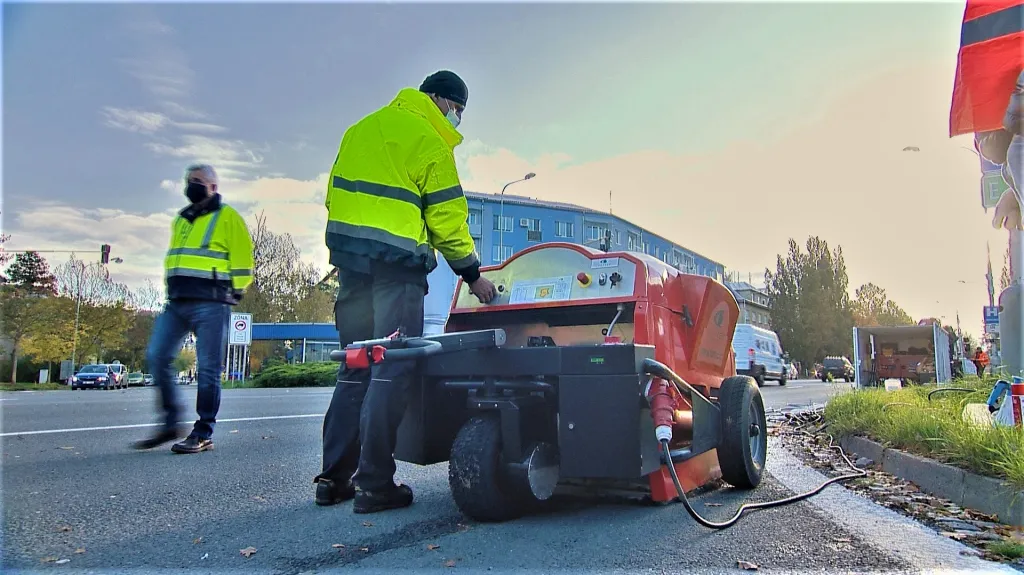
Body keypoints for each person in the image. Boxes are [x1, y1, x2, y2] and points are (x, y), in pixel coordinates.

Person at [314, 70, 497, 514]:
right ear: (440, 101)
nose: (456, 120)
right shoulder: (428, 141)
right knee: (389, 369)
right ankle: (375, 484)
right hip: (397, 269)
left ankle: (332, 480)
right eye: (457, 110)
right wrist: (473, 276)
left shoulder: (361, 129)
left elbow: (332, 198)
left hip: (352, 267)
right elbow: (448, 222)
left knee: (355, 368)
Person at [133, 164, 254, 454]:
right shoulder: (181, 220)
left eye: (198, 181)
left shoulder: (228, 217)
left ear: (213, 186)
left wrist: (234, 291)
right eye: (189, 181)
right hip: (177, 302)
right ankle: (171, 420)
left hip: (212, 302)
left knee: (209, 369)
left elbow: (242, 259)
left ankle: (203, 432)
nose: (192, 186)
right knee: (157, 355)